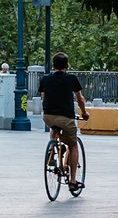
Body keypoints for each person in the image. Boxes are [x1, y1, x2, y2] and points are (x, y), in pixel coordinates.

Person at [38, 52, 89, 188]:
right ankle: (72, 181)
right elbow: (80, 99)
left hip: (48, 116)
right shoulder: (71, 78)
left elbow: (43, 96)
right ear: (67, 65)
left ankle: (52, 148)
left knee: (54, 127)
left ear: (53, 66)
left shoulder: (45, 79)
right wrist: (84, 113)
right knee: (73, 146)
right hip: (66, 118)